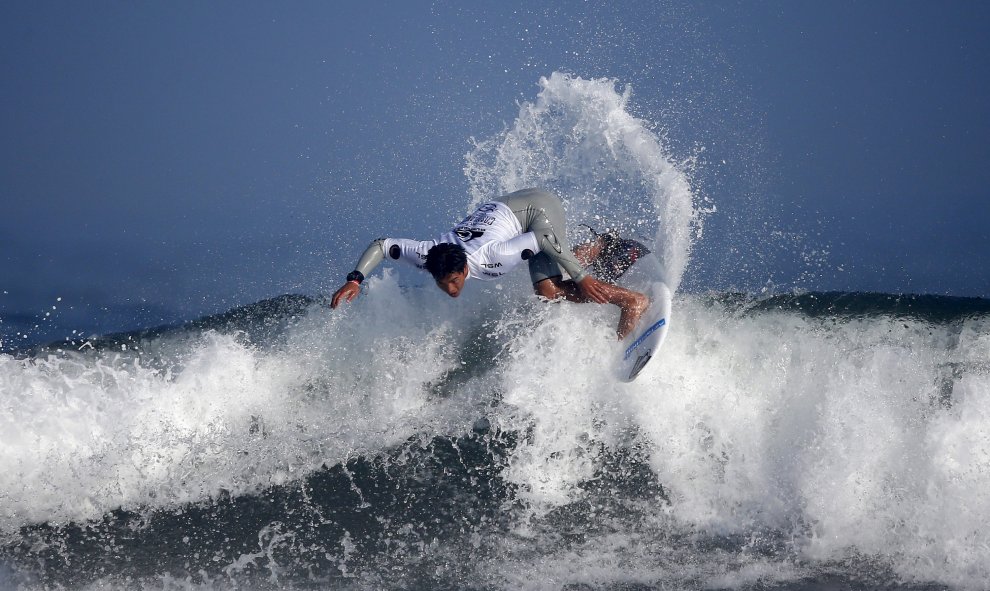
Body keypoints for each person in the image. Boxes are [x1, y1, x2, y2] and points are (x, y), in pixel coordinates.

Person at [330, 188, 649, 339]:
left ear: (465, 269)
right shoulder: (430, 255)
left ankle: (631, 301)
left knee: (549, 290)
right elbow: (382, 245)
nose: (452, 290)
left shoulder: (492, 256)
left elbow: (545, 239)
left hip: (538, 210)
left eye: (454, 281)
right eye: (445, 285)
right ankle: (604, 244)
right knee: (554, 270)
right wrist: (355, 279)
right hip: (510, 209)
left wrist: (583, 278)